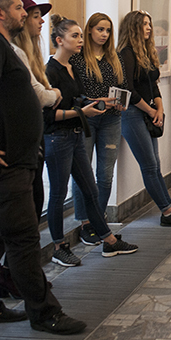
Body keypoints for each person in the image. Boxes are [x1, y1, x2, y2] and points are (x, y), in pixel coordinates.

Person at [0, 0, 85, 335]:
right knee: (23, 237)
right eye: (18, 8)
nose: (24, 14)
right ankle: (44, 313)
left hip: (12, 159)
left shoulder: (1, 46)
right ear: (0, 13)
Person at [43, 15, 140, 265]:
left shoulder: (71, 67)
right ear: (59, 40)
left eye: (79, 35)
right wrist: (82, 112)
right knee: (58, 194)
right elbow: (48, 115)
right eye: (75, 36)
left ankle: (108, 240)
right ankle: (59, 247)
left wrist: (97, 103)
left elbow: (77, 98)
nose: (80, 40)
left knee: (91, 188)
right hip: (58, 137)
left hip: (76, 133)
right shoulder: (50, 70)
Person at [0, 0, 60, 298]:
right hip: (19, 146)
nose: (39, 21)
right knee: (23, 216)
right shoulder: (15, 53)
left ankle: (13, 275)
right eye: (34, 15)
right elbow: (39, 95)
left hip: (32, 142)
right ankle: (15, 278)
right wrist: (54, 95)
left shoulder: (30, 55)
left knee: (33, 207)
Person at [117, 10, 171, 227]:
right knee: (149, 165)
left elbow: (153, 84)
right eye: (145, 24)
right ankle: (168, 210)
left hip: (149, 111)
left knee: (155, 163)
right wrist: (151, 111)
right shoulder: (126, 53)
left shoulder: (145, 52)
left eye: (149, 24)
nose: (149, 28)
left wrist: (159, 108)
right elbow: (128, 90)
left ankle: (168, 209)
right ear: (134, 27)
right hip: (132, 114)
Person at [70, 12, 127, 246]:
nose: (104, 34)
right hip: (87, 119)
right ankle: (85, 222)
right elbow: (75, 93)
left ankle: (98, 220)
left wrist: (121, 102)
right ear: (90, 30)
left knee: (105, 173)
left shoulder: (114, 57)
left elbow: (122, 86)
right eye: (100, 29)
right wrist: (97, 100)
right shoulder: (78, 58)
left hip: (111, 118)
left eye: (108, 30)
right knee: (83, 172)